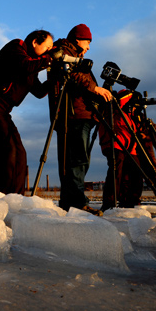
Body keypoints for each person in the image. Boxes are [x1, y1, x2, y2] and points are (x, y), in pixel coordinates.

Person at [0, 30, 55, 195]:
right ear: (34, 42)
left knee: (19, 153)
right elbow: (24, 66)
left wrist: (56, 78)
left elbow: (39, 91)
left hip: (2, 109)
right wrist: (50, 59)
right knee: (6, 151)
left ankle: (16, 199)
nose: (49, 51)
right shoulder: (16, 47)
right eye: (47, 47)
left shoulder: (32, 66)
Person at [48, 24, 113, 214]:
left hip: (81, 114)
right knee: (76, 160)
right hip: (73, 115)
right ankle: (77, 203)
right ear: (78, 39)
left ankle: (70, 203)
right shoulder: (64, 54)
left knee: (79, 160)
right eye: (88, 41)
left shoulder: (77, 57)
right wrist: (95, 89)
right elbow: (72, 76)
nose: (89, 47)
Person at [98, 90, 142, 210]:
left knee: (136, 172)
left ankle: (130, 202)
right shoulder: (115, 107)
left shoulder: (131, 115)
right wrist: (133, 94)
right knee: (116, 172)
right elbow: (121, 98)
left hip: (130, 146)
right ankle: (109, 204)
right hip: (115, 143)